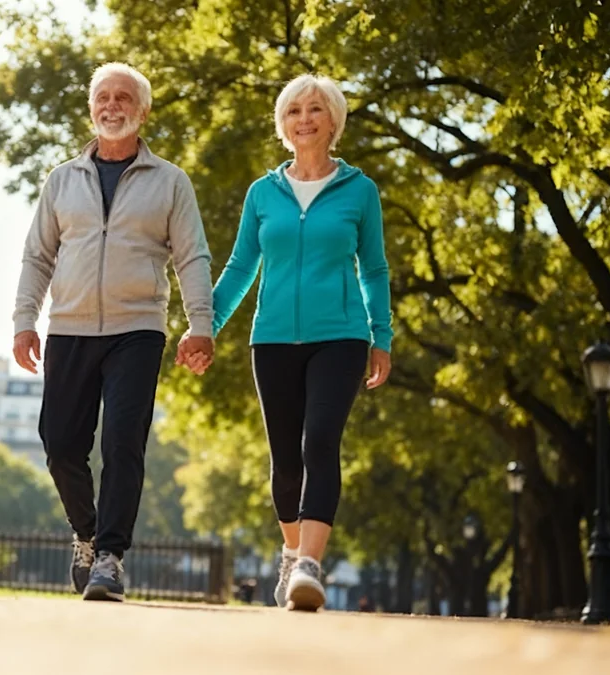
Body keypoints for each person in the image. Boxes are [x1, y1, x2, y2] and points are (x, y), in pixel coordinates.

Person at [180, 73, 393, 611]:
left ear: (333, 121)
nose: (305, 118)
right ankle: (292, 552)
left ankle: (309, 566)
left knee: (319, 442)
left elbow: (373, 269)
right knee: (285, 459)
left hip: (341, 337)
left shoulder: (360, 190)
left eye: (316, 109)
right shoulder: (262, 193)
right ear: (284, 124)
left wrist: (381, 336)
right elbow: (240, 266)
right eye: (294, 110)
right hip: (272, 338)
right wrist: (206, 326)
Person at [12, 62, 215, 602]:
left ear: (142, 111)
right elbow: (37, 256)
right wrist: (23, 321)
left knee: (124, 441)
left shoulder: (170, 181)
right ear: (91, 108)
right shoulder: (62, 180)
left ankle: (109, 557)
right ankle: (87, 533)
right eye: (103, 97)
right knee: (59, 446)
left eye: (124, 97)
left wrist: (201, 325)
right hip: (70, 327)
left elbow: (192, 256)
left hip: (137, 328)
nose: (112, 105)